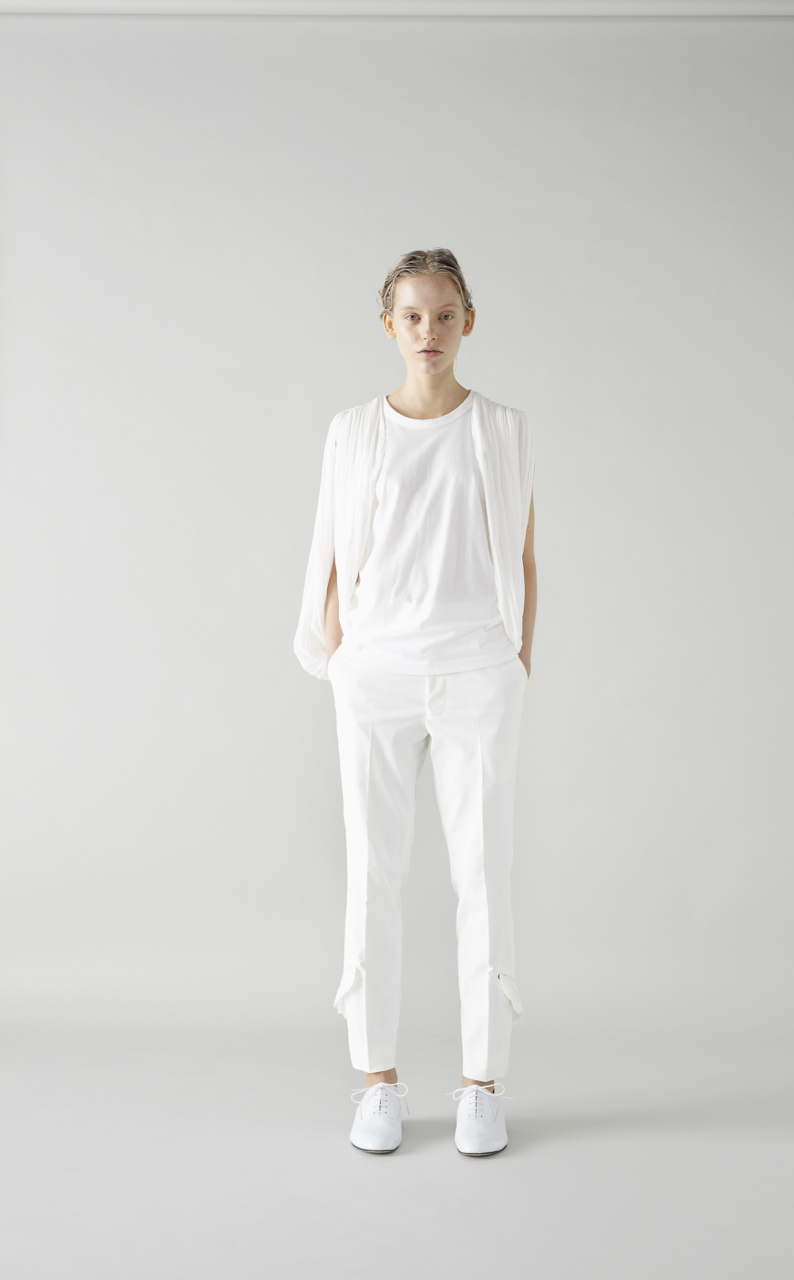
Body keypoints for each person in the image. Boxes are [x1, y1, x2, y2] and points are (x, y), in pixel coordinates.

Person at [293, 248, 536, 1156]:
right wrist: (348, 657)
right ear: (388, 325)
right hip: (377, 675)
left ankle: (481, 1085)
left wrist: (514, 663)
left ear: (467, 321)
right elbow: (329, 552)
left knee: (484, 873)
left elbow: (523, 556)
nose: (427, 331)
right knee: (373, 873)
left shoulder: (502, 429)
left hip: (477, 671)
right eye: (411, 316)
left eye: (442, 315)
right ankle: (377, 1082)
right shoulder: (352, 431)